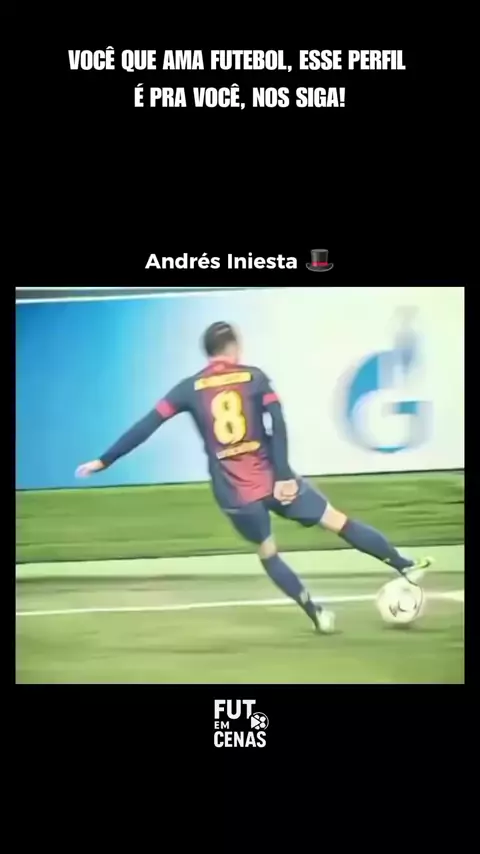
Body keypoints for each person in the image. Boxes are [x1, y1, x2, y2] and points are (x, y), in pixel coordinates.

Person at [76, 321, 431, 633]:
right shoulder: (254, 377)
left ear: (208, 352)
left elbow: (147, 425)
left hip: (234, 494)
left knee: (268, 552)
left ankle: (317, 614)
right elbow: (277, 423)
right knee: (337, 520)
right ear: (234, 347)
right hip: (273, 478)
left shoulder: (188, 388)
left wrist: (105, 460)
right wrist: (283, 475)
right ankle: (404, 565)